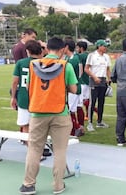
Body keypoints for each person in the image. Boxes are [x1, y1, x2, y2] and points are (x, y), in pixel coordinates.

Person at [19, 37, 77, 195]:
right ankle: (58, 185)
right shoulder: (66, 66)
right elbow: (73, 89)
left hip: (38, 112)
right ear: (62, 50)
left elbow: (29, 86)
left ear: (47, 48)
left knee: (34, 149)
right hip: (60, 113)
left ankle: (28, 184)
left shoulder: (33, 65)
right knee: (60, 151)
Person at [10, 40, 43, 143]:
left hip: (24, 97)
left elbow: (15, 81)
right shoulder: (42, 62)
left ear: (28, 51)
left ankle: (31, 150)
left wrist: (13, 97)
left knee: (25, 126)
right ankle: (40, 149)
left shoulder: (21, 63)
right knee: (40, 126)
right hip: (39, 97)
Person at [84, 39, 111, 131]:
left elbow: (107, 69)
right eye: (104, 46)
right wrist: (94, 77)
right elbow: (86, 69)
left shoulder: (106, 57)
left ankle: (100, 121)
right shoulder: (92, 55)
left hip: (103, 80)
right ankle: (90, 123)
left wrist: (109, 78)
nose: (105, 48)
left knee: (101, 102)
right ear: (99, 46)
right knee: (92, 102)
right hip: (94, 80)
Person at [64, 37, 84, 137]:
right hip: (74, 86)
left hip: (73, 87)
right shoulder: (71, 58)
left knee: (71, 110)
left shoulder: (73, 60)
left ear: (66, 47)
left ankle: (75, 128)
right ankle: (77, 127)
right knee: (73, 108)